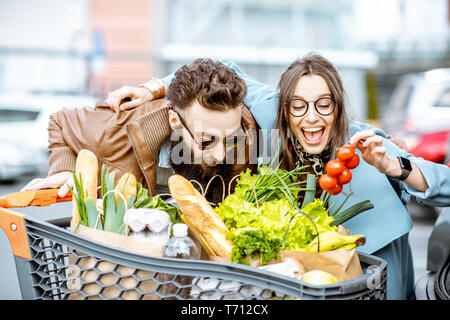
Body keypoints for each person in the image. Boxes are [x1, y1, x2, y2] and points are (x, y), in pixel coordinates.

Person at [105, 53, 450, 300]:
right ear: (285, 107)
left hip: (376, 256)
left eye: (324, 104)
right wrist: (152, 88)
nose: (311, 118)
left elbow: (443, 187)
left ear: (337, 108)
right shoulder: (271, 114)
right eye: (299, 105)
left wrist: (395, 167)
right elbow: (218, 71)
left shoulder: (361, 142)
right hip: (309, 267)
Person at [22, 59, 259, 204]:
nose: (220, 155)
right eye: (207, 140)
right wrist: (65, 169)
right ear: (175, 120)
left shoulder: (252, 134)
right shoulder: (118, 128)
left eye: (231, 139)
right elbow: (60, 122)